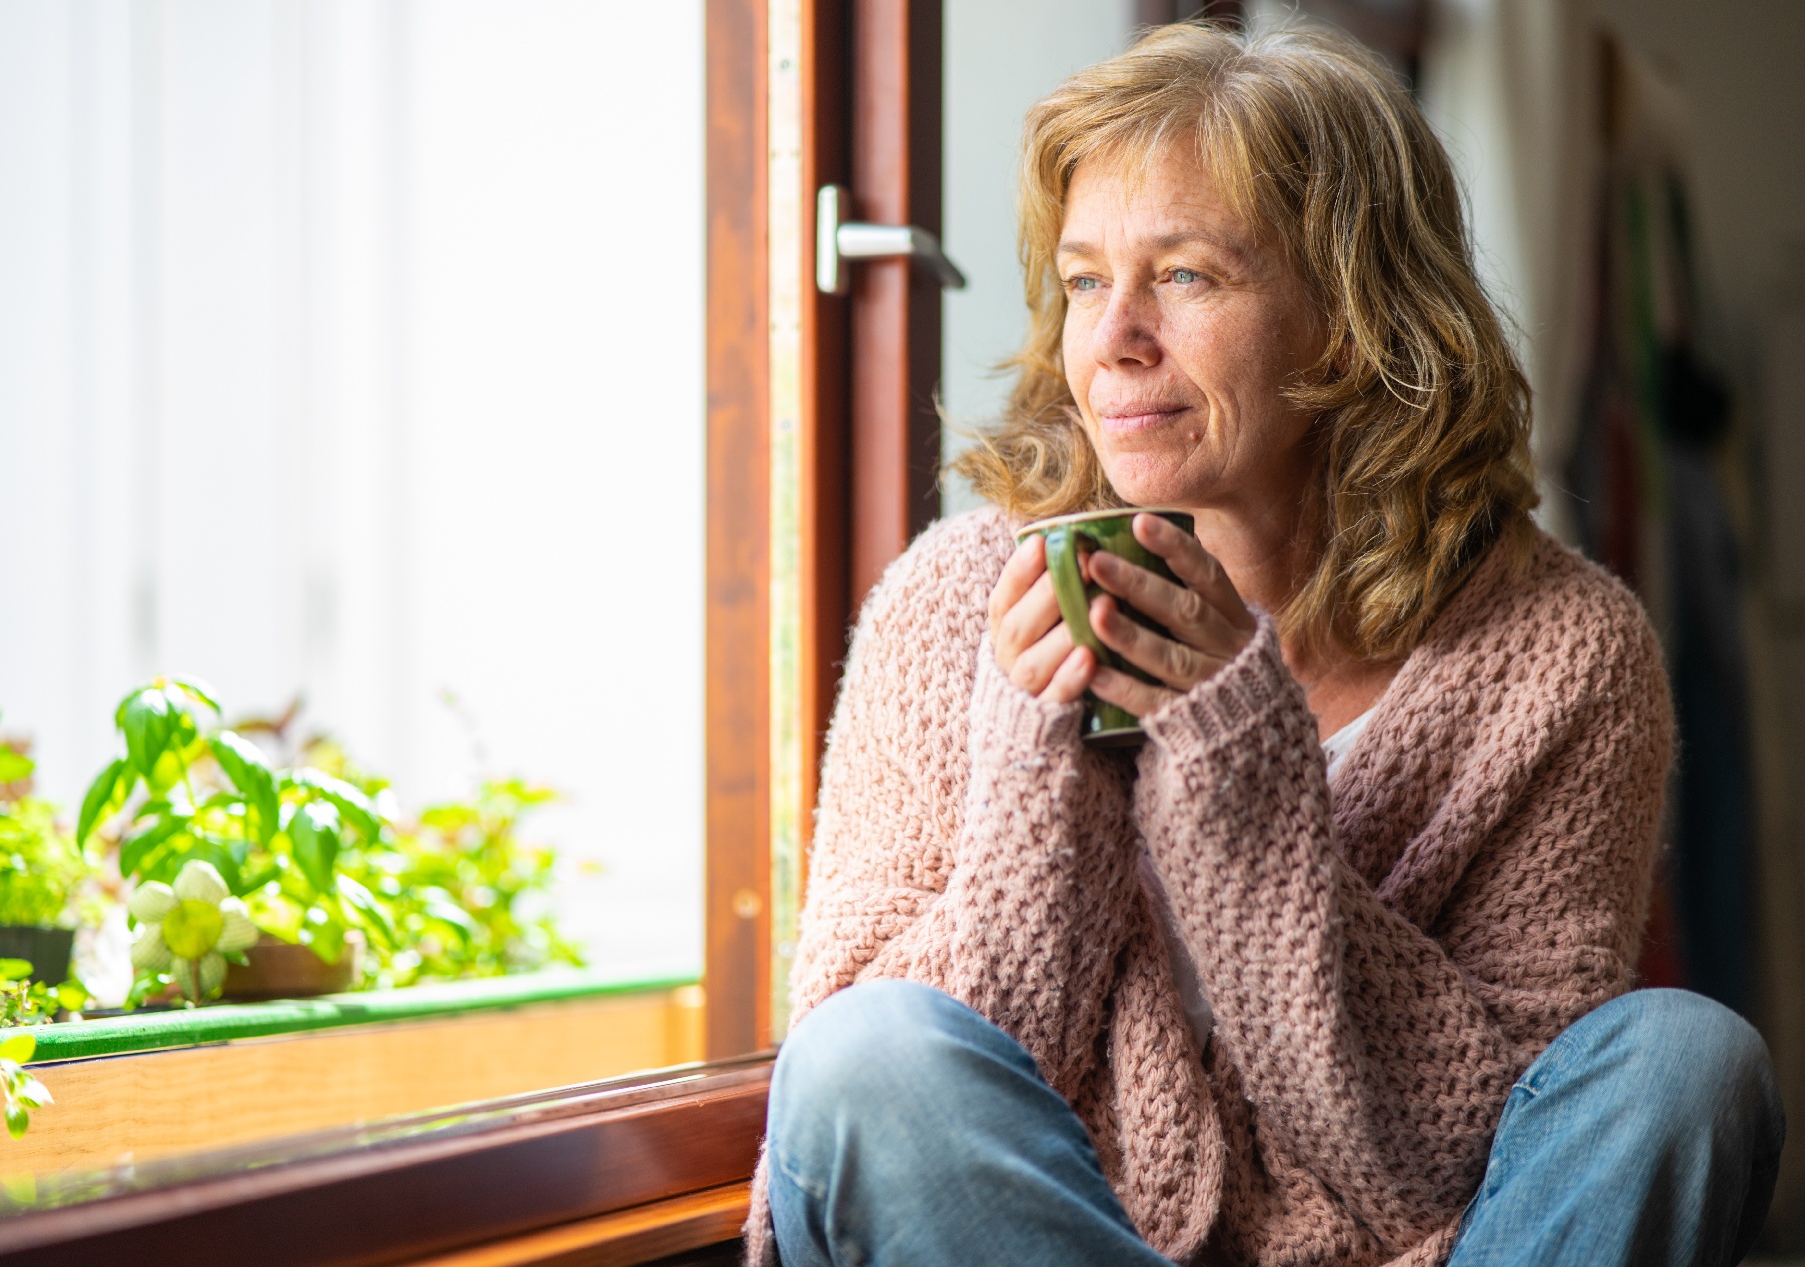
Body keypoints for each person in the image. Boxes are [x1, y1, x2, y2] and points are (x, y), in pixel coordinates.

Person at [748, 19, 1783, 1267]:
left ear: (1348, 319)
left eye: (1183, 275)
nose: (1114, 337)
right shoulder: (950, 602)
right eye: (1084, 280)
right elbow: (864, 1102)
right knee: (869, 1049)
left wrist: (1239, 762)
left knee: (1685, 1060)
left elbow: (1469, 1164)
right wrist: (1038, 751)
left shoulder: (1557, 656)